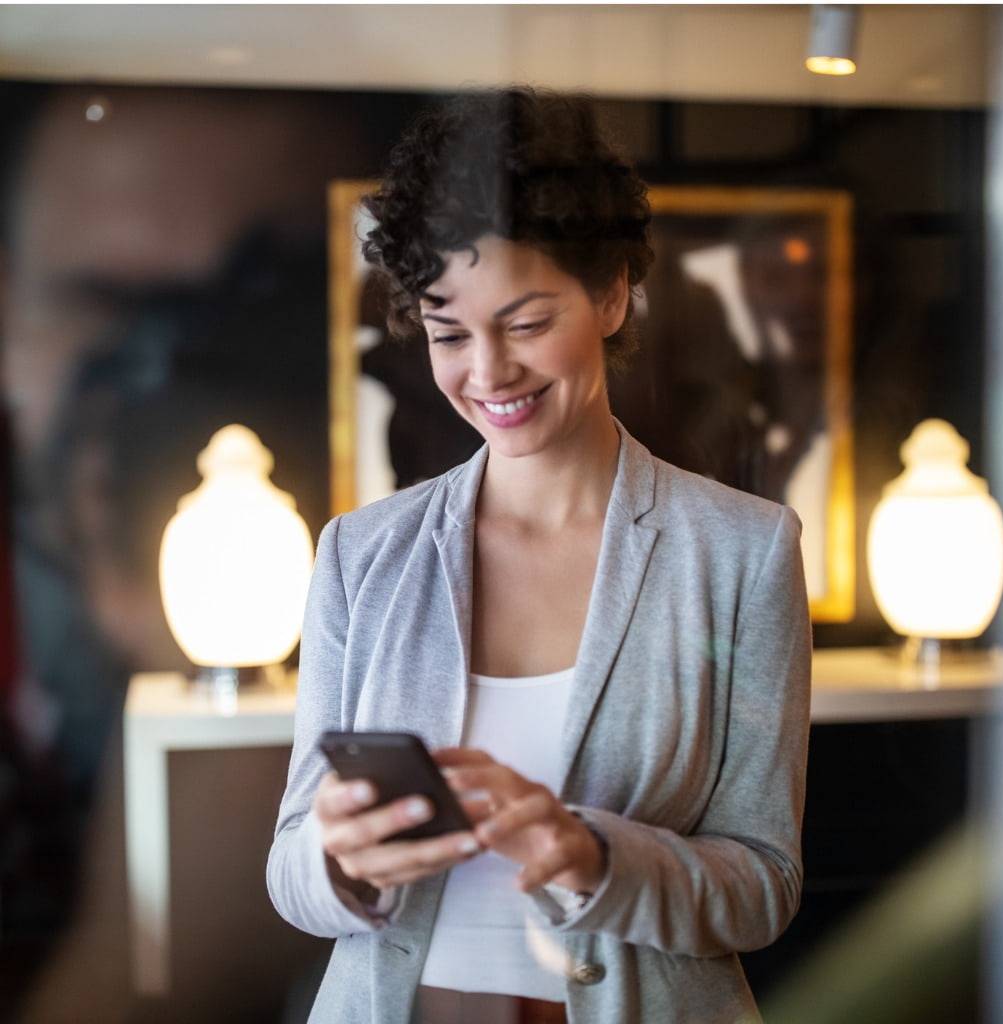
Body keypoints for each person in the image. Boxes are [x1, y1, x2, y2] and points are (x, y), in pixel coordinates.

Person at [267, 86, 811, 1024]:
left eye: (524, 323)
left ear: (609, 293)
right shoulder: (362, 555)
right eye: (448, 333)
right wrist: (339, 861)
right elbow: (290, 870)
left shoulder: (742, 552)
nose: (487, 373)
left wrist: (597, 856)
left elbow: (763, 885)